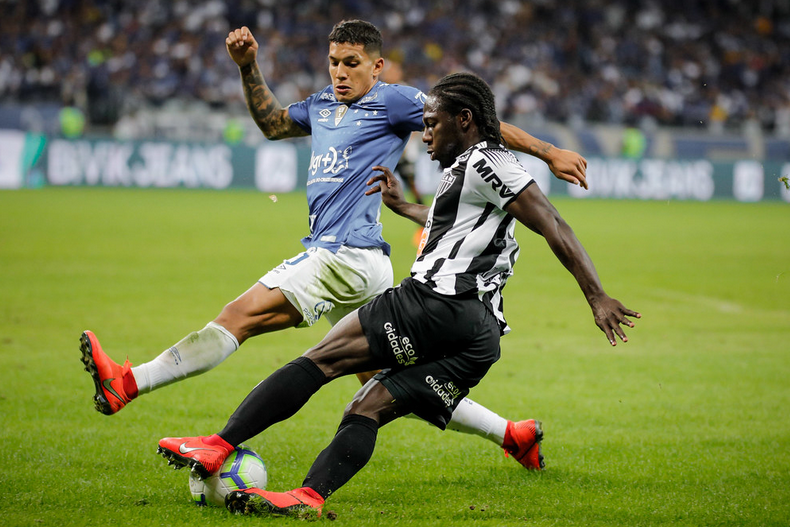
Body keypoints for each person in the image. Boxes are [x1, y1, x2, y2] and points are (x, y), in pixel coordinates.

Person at [79, 20, 588, 468]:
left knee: (241, 315)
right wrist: (248, 67)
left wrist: (548, 152)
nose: (340, 73)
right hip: (363, 266)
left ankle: (130, 383)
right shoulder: (322, 104)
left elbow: (473, 119)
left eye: (352, 63)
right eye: (333, 63)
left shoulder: (392, 100)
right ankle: (513, 435)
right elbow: (274, 124)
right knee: (386, 380)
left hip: (341, 254)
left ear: (377, 66)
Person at [155, 71, 640, 518]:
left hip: (434, 304)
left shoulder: (487, 160)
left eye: (432, 125)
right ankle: (308, 497)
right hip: (478, 341)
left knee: (321, 360)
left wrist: (596, 295)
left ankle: (218, 445)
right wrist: (402, 205)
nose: (424, 134)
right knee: (367, 406)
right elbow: (452, 224)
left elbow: (552, 221)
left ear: (464, 120)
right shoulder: (466, 167)